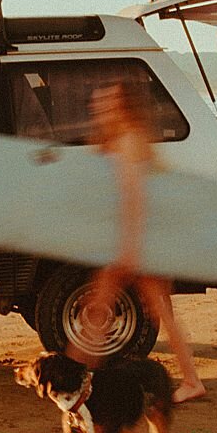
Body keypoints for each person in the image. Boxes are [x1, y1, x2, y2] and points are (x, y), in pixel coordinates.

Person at [77, 82, 208, 404]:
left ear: (123, 108)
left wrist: (130, 248)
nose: (101, 110)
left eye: (108, 105)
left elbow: (136, 199)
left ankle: (79, 379)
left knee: (102, 304)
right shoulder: (117, 141)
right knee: (157, 310)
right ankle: (191, 380)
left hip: (140, 240)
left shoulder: (131, 141)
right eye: (98, 105)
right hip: (140, 238)